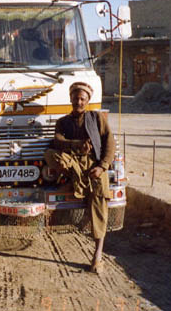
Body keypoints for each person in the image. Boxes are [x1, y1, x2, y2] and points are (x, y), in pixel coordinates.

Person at [44, 81, 115, 273]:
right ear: (71, 99)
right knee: (50, 155)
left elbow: (110, 143)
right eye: (76, 98)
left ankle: (97, 256)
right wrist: (77, 145)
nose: (79, 101)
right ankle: (76, 181)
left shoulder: (96, 118)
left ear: (88, 100)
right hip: (73, 162)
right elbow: (57, 141)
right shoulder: (63, 122)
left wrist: (102, 167)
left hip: (93, 165)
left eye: (82, 98)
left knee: (99, 203)